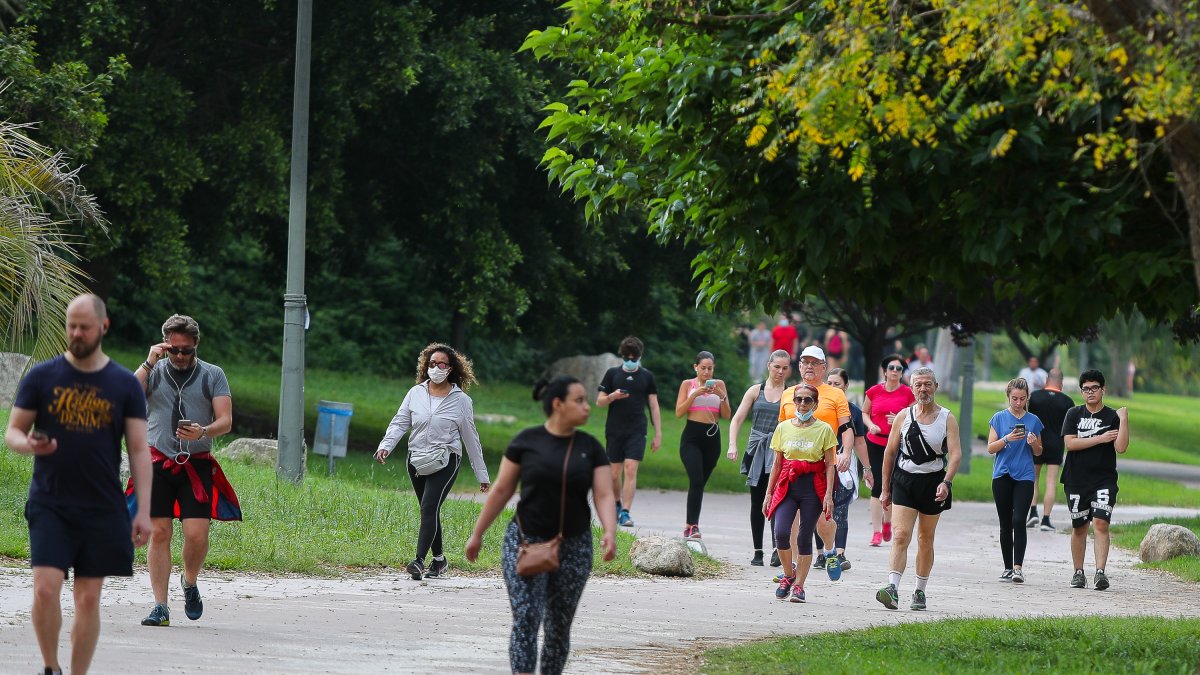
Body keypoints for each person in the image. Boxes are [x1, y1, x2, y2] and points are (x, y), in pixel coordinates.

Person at [5, 294, 153, 675]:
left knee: (87, 598)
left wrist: (144, 511)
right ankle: (50, 667)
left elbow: (139, 450)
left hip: (102, 506)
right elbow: (13, 432)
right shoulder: (42, 377)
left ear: (103, 326)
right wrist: (28, 444)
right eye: (71, 325)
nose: (76, 333)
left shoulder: (124, 385)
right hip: (50, 502)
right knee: (44, 589)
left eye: (84, 327)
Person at [465, 376, 617, 675]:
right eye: (579, 400)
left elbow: (603, 494)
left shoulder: (590, 447)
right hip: (524, 541)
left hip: (574, 546)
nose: (587, 407)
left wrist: (610, 531)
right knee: (526, 618)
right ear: (558, 404)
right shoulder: (526, 442)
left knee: (559, 626)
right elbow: (502, 489)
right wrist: (477, 534)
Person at [135, 314, 240, 627]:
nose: (180, 356)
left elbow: (226, 420)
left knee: (196, 535)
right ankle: (160, 606)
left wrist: (203, 431)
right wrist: (149, 361)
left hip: (196, 464)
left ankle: (190, 581)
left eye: (187, 350)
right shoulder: (153, 370)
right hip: (157, 462)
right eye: (174, 349)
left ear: (196, 345)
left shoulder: (212, 375)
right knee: (159, 533)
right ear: (165, 344)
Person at [375, 343, 491, 580]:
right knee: (429, 509)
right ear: (425, 366)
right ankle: (439, 560)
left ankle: (418, 561)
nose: (436, 368)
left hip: (446, 458)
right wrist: (385, 446)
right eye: (432, 363)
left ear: (451, 368)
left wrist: (482, 474)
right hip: (416, 458)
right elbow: (400, 422)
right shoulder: (415, 393)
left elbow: (471, 438)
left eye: (442, 364)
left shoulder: (461, 401)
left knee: (429, 507)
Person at [876, 367, 962, 612]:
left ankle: (919, 591)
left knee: (925, 539)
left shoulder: (947, 418)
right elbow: (890, 453)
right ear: (912, 389)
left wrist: (946, 482)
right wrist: (885, 489)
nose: (923, 389)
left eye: (927, 384)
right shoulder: (903, 416)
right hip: (904, 480)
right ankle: (892, 588)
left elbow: (955, 454)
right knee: (901, 535)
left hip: (933, 482)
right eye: (918, 385)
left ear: (936, 386)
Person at [777, 346, 852, 577]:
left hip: (821, 465)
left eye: (814, 363)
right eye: (805, 362)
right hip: (792, 467)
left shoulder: (835, 394)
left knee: (822, 519)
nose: (809, 367)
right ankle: (793, 568)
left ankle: (830, 550)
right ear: (799, 366)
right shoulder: (789, 394)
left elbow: (847, 428)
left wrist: (846, 452)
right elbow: (782, 429)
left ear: (823, 367)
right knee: (791, 521)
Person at [763, 384, 839, 603]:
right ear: (793, 401)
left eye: (808, 400)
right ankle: (789, 575)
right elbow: (777, 464)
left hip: (812, 486)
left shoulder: (824, 429)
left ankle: (799, 586)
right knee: (780, 532)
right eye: (799, 399)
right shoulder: (783, 428)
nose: (802, 404)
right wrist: (768, 493)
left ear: (815, 404)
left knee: (804, 536)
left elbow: (829, 464)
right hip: (788, 484)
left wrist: (828, 495)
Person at [1061, 369, 1129, 591]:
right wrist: (1100, 438)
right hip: (1076, 479)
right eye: (1086, 389)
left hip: (1104, 480)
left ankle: (1100, 572)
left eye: (1094, 388)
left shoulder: (1112, 417)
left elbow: (1121, 447)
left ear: (1103, 389)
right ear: (1081, 392)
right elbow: (1070, 443)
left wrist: (1124, 419)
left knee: (1101, 523)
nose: (1090, 392)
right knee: (1080, 526)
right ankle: (1078, 572)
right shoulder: (1073, 414)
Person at [727, 350, 791, 566]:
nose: (780, 371)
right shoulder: (756, 390)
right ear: (769, 366)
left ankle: (776, 549)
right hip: (756, 451)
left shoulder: (791, 394)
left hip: (778, 451)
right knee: (757, 501)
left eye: (784, 368)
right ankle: (757, 551)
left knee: (776, 500)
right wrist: (733, 444)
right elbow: (737, 419)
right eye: (777, 367)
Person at [595, 336, 662, 528]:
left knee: (631, 468)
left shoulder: (647, 376)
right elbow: (599, 402)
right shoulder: (612, 374)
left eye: (634, 358)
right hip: (615, 429)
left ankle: (625, 512)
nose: (630, 361)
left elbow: (654, 406)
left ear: (640, 357)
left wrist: (658, 433)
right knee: (614, 474)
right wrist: (612, 396)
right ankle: (616, 504)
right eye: (627, 358)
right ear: (622, 356)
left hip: (637, 429)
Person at [986, 378, 1043, 583]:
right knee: (1005, 523)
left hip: (1025, 476)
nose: (1018, 403)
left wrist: (1033, 443)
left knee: (1019, 520)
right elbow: (990, 448)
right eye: (1014, 399)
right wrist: (1007, 438)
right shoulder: (999, 418)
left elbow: (1039, 451)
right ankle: (1007, 567)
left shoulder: (1034, 420)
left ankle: (1018, 568)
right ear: (1008, 397)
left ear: (1027, 398)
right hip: (1002, 475)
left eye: (1022, 399)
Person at [674, 350, 732, 538]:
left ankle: (689, 525)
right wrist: (694, 395)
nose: (706, 372)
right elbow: (679, 412)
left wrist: (722, 396)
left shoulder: (719, 385)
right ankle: (694, 526)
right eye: (703, 368)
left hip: (712, 439)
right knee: (697, 480)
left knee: (698, 484)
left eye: (710, 368)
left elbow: (727, 415)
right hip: (691, 438)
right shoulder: (687, 384)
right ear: (696, 367)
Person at [861, 353, 915, 547]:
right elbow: (864, 412)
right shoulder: (874, 391)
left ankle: (887, 522)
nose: (895, 371)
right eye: (891, 368)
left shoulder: (908, 393)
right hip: (875, 442)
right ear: (885, 371)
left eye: (899, 369)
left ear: (902, 373)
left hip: (896, 444)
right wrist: (871, 425)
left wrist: (900, 419)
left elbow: (915, 416)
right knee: (877, 486)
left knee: (892, 485)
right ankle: (876, 531)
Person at [824, 368, 872, 571]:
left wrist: (867, 469)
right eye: (829, 383)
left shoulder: (854, 412)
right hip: (821, 462)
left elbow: (860, 442)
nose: (833, 387)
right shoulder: (818, 405)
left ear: (846, 386)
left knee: (840, 509)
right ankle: (823, 553)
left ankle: (840, 553)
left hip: (844, 463)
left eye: (837, 384)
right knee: (821, 509)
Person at [1027, 368, 1075, 530]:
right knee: (1051, 482)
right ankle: (1046, 520)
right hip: (1056, 445)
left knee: (1033, 479)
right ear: (1061, 382)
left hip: (1035, 442)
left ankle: (1032, 513)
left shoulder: (1034, 397)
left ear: (1047, 379)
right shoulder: (1067, 402)